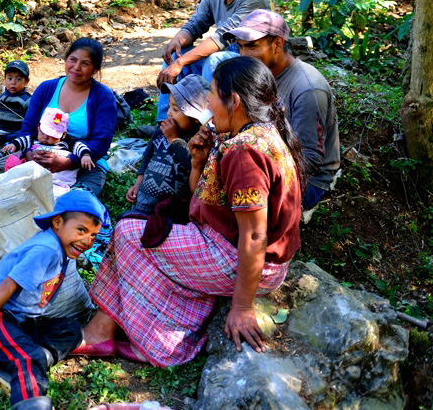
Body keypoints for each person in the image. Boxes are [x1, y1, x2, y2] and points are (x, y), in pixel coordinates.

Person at [77, 56, 304, 366]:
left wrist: (242, 307)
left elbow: (254, 235)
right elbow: (204, 195)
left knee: (128, 234)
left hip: (241, 259)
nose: (208, 101)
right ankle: (107, 331)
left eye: (212, 93)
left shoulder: (245, 151)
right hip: (227, 245)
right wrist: (197, 161)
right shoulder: (253, 134)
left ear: (234, 101)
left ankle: (148, 343)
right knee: (142, 231)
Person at [0, 190, 109, 410]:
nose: (87, 241)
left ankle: (24, 365)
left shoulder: (59, 249)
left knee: (71, 330)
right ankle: (31, 402)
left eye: (93, 235)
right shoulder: (46, 249)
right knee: (29, 356)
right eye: (81, 230)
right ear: (57, 222)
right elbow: (7, 287)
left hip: (21, 321)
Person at [224, 9, 340, 210]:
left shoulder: (307, 88)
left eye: (252, 46)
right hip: (264, 160)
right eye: (240, 47)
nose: (244, 55)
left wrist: (257, 172)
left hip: (308, 181)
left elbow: (309, 160)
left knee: (240, 204)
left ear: (277, 44)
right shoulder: (259, 75)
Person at [154, 0, 271, 122]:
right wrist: (176, 41)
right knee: (176, 56)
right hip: (229, 61)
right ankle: (166, 123)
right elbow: (195, 25)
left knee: (214, 60)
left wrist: (181, 63)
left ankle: (208, 126)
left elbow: (221, 37)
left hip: (253, 66)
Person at [3, 38, 118, 197]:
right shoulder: (46, 89)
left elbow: (101, 142)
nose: (76, 68)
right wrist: (30, 154)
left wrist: (68, 163)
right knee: (16, 194)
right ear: (66, 59)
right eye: (73, 60)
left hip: (86, 162)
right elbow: (28, 129)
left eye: (85, 64)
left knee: (75, 202)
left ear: (95, 70)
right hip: (39, 156)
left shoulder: (103, 96)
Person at [125, 74, 211, 216]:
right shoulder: (161, 131)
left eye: (176, 109)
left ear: (195, 118)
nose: (169, 113)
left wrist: (174, 140)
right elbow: (147, 157)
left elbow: (193, 164)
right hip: (142, 203)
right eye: (170, 106)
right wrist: (137, 184)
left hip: (171, 213)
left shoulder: (198, 142)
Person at [4, 108, 85, 191]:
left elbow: (80, 147)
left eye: (51, 135)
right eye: (43, 132)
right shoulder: (33, 139)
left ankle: (56, 186)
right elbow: (23, 141)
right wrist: (14, 144)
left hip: (56, 171)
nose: (45, 137)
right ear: (38, 128)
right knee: (13, 161)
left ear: (63, 134)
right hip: (33, 170)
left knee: (66, 174)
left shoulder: (67, 142)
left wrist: (85, 155)